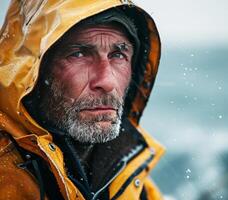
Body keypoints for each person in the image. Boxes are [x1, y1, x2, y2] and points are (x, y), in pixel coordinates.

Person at [0, 0, 164, 199]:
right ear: (31, 71)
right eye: (78, 54)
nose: (107, 81)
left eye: (118, 55)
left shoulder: (129, 172)